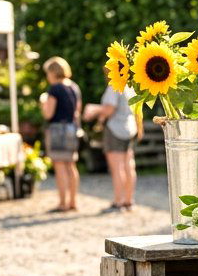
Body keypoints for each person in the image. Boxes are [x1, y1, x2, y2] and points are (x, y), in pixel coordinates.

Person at [83, 69, 139, 211]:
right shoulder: (129, 86)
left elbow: (109, 109)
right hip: (129, 129)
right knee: (129, 165)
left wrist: (94, 110)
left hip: (115, 130)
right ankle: (128, 201)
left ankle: (118, 202)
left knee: (117, 167)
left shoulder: (114, 85)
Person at [40, 56, 82, 212]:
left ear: (52, 72)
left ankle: (62, 203)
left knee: (59, 166)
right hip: (72, 128)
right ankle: (73, 201)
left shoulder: (54, 89)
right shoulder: (74, 87)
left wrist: (43, 103)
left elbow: (48, 114)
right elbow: (77, 111)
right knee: (71, 165)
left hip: (57, 129)